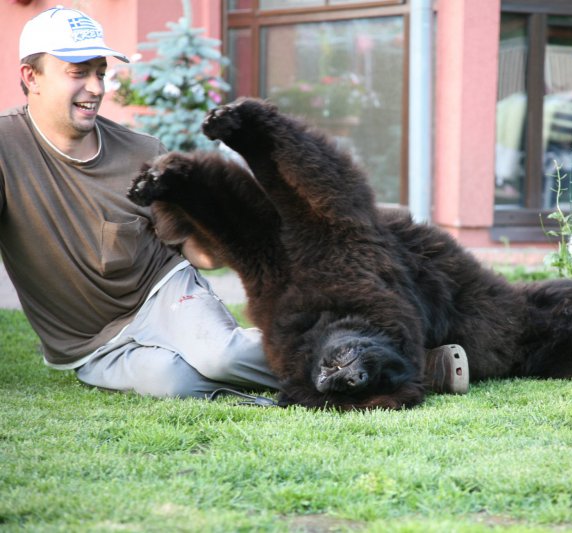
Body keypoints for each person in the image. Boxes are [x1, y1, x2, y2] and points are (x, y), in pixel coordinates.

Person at [0, 7, 467, 399]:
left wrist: (247, 224)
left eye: (101, 72)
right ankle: (363, 368)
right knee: (175, 382)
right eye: (78, 73)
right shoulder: (5, 148)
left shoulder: (142, 151)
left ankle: (393, 365)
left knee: (220, 355)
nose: (96, 88)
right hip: (85, 343)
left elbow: (199, 254)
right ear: (31, 77)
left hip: (162, 293)